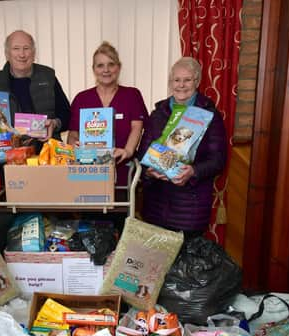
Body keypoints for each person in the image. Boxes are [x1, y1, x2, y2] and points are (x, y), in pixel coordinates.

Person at [137, 57, 227, 238]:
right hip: (157, 202)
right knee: (157, 262)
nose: (181, 85)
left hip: (190, 206)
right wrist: (149, 172)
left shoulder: (208, 113)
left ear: (197, 81)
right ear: (171, 82)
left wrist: (192, 171)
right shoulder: (159, 112)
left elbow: (218, 159)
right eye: (177, 80)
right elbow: (143, 152)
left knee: (186, 261)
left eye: (187, 80)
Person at [67, 41, 148, 186]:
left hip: (123, 168)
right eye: (100, 65)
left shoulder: (132, 95)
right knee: (90, 207)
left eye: (111, 64)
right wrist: (75, 147)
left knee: (122, 207)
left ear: (119, 67)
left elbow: (137, 127)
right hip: (88, 171)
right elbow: (73, 133)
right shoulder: (82, 98)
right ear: (93, 69)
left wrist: (128, 151)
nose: (106, 70)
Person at [0, 30, 71, 142]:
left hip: (46, 149)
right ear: (7, 54)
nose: (22, 54)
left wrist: (55, 124)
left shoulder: (48, 76)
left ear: (34, 53)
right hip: (9, 151)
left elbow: (66, 115)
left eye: (26, 48)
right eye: (16, 48)